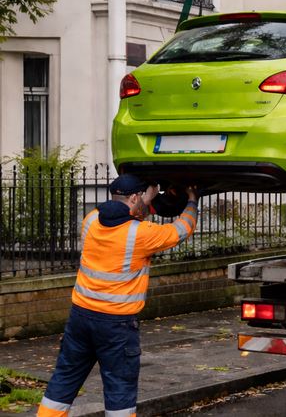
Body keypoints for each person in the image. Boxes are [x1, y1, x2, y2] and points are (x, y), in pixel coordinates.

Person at [37, 174, 199, 417]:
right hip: (116, 326)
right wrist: (192, 199)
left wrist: (149, 200)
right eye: (145, 196)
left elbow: (129, 215)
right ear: (135, 197)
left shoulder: (91, 219)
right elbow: (183, 229)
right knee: (119, 389)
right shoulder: (142, 234)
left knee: (65, 378)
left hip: (80, 318)